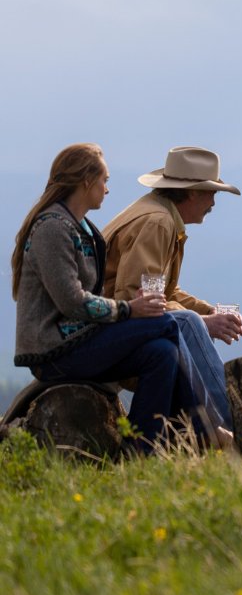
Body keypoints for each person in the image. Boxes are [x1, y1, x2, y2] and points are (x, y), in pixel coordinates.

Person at [11, 144, 209, 451]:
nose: (107, 188)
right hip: (54, 352)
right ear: (86, 181)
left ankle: (144, 450)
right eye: (104, 179)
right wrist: (130, 310)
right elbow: (72, 302)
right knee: (168, 325)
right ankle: (205, 430)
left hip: (79, 342)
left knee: (161, 353)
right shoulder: (52, 228)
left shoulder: (82, 229)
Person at [102, 146, 242, 432]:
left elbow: (163, 291)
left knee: (194, 322)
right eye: (210, 192)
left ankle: (202, 432)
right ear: (192, 192)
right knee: (190, 325)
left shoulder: (159, 214)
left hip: (110, 324)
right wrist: (202, 322)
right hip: (108, 328)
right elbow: (133, 298)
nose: (213, 201)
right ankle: (236, 430)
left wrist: (208, 311)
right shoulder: (158, 223)